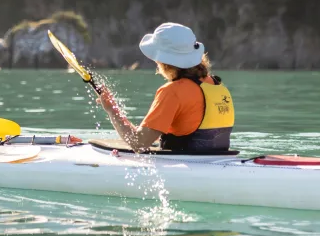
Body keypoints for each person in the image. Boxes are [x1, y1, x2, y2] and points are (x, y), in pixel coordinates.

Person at [97, 23, 234, 152]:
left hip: (186, 166)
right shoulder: (219, 87)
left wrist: (112, 110)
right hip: (219, 160)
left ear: (164, 62)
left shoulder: (172, 92)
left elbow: (139, 143)